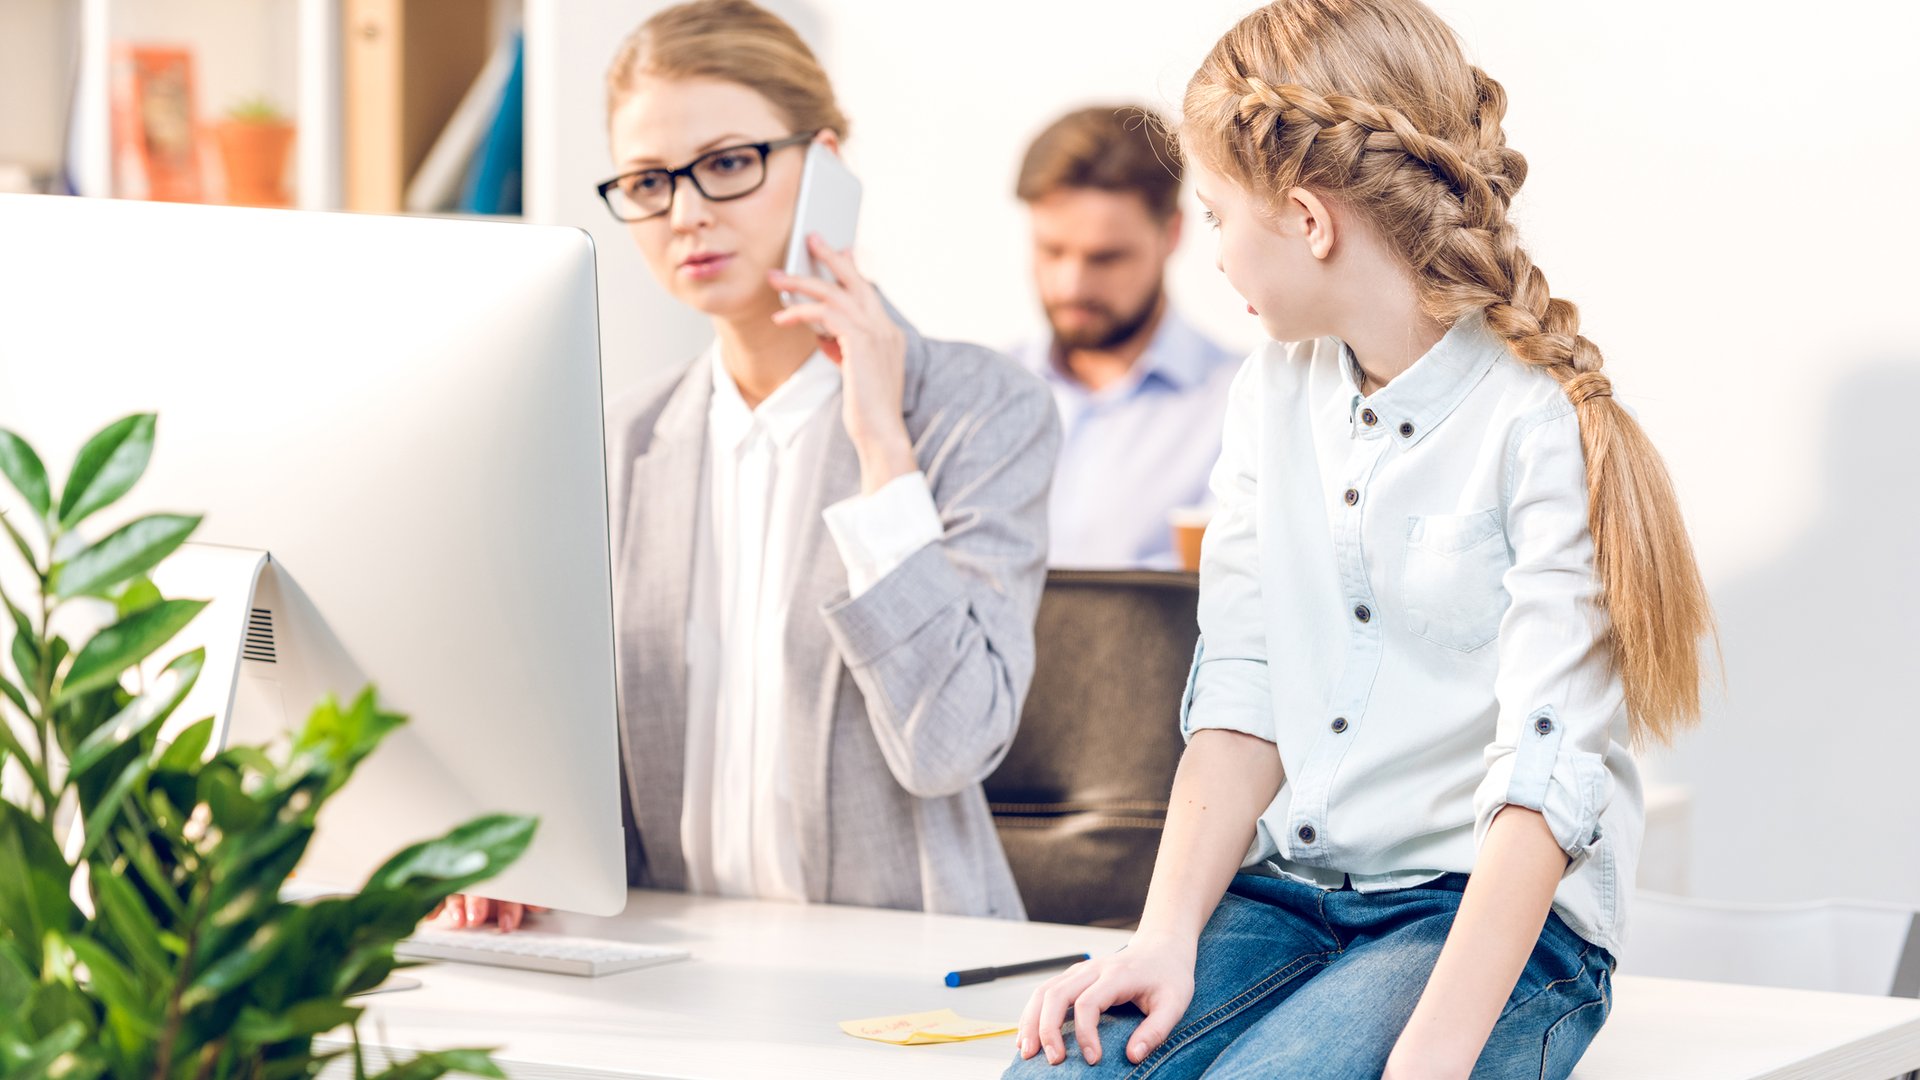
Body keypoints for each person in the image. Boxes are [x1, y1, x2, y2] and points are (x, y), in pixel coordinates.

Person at [1008, 1, 1716, 1077]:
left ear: (1306, 218)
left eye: (1213, 215)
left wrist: (1432, 1053)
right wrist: (1160, 937)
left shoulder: (1537, 426)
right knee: (1057, 1067)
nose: (1213, 255)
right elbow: (1243, 683)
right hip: (1294, 894)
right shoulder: (1267, 394)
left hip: (1485, 923)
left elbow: (1545, 781)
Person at [440, 0, 1057, 931]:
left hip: (907, 972)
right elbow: (567, 742)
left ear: (829, 168)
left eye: (728, 164)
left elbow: (952, 742)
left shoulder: (979, 410)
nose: (685, 214)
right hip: (670, 963)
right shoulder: (620, 440)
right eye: (648, 181)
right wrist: (514, 845)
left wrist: (882, 446)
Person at [1009, 106, 1239, 569]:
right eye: (1051, 250)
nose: (1072, 285)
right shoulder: (983, 395)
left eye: (1106, 258)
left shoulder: (1243, 406)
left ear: (1171, 234)